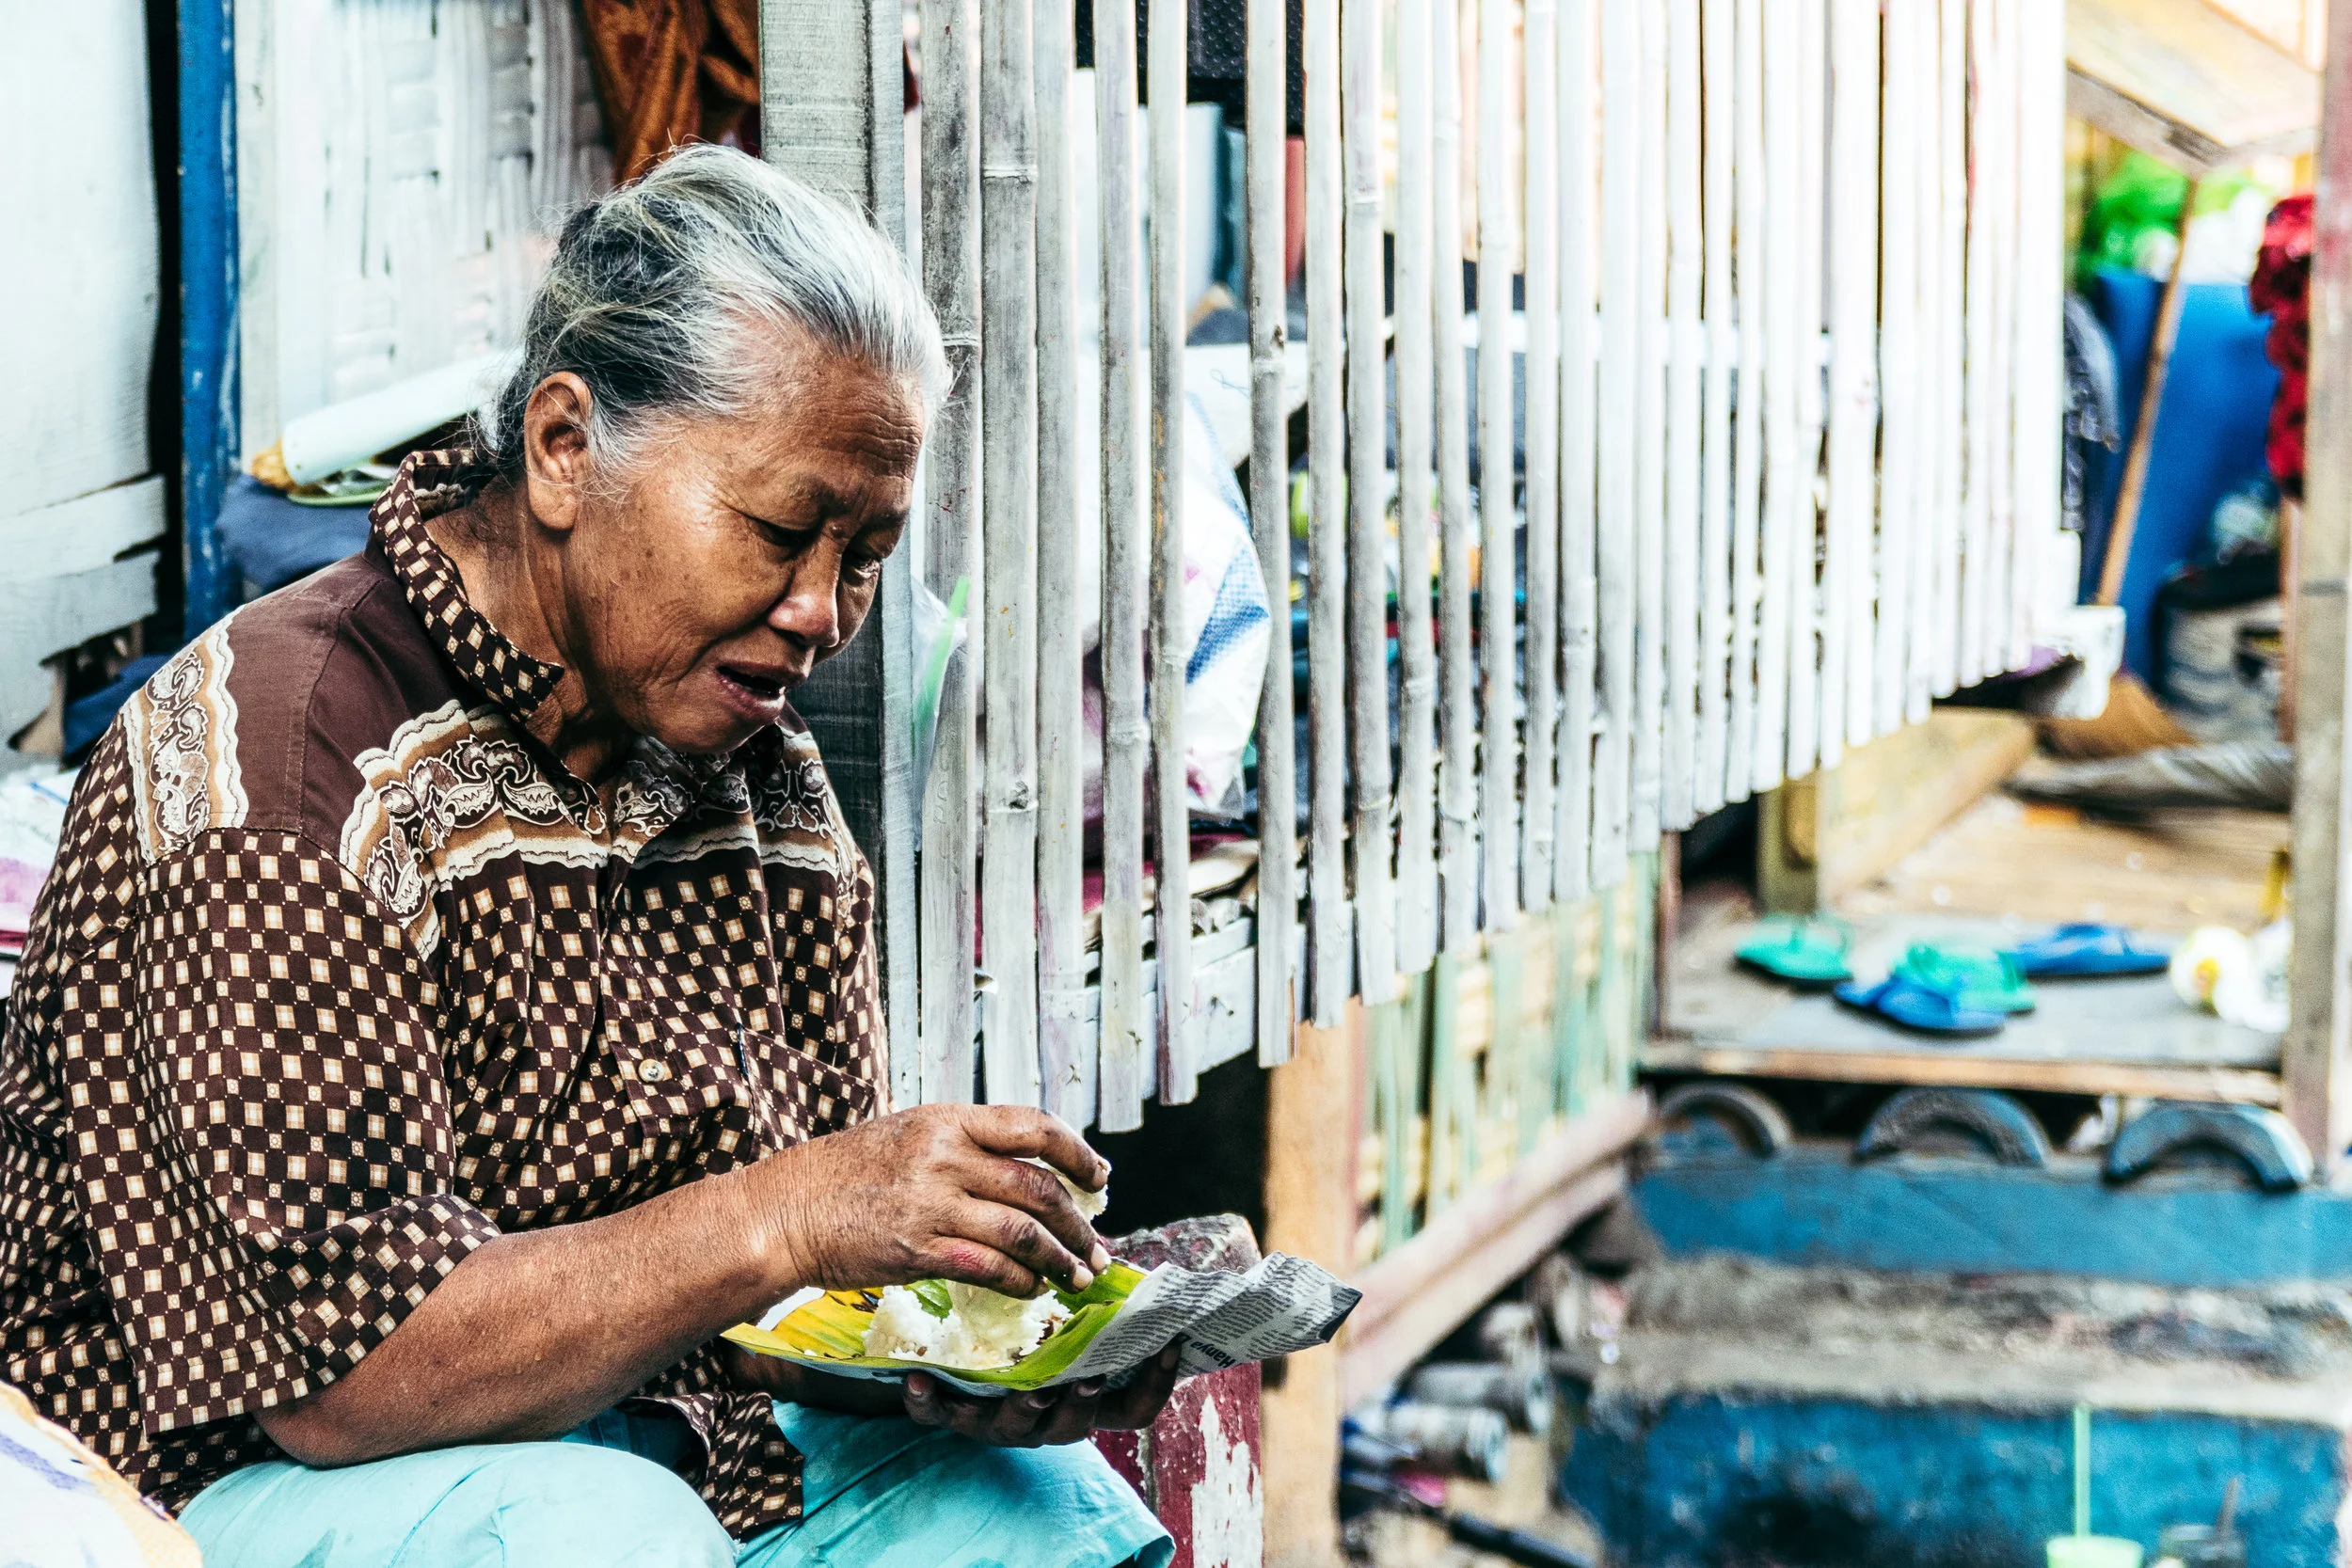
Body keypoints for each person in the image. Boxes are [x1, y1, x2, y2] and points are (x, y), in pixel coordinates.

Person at [0, 145, 1175, 1568]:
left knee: (1044, 1519)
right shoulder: (289, 754)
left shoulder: (758, 775)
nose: (820, 610)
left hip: (658, 1448)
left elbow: (773, 1301)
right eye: (781, 529)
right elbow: (342, 1376)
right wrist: (791, 1211)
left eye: (864, 553)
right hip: (210, 1485)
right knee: (591, 1531)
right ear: (565, 449)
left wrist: (966, 1356)